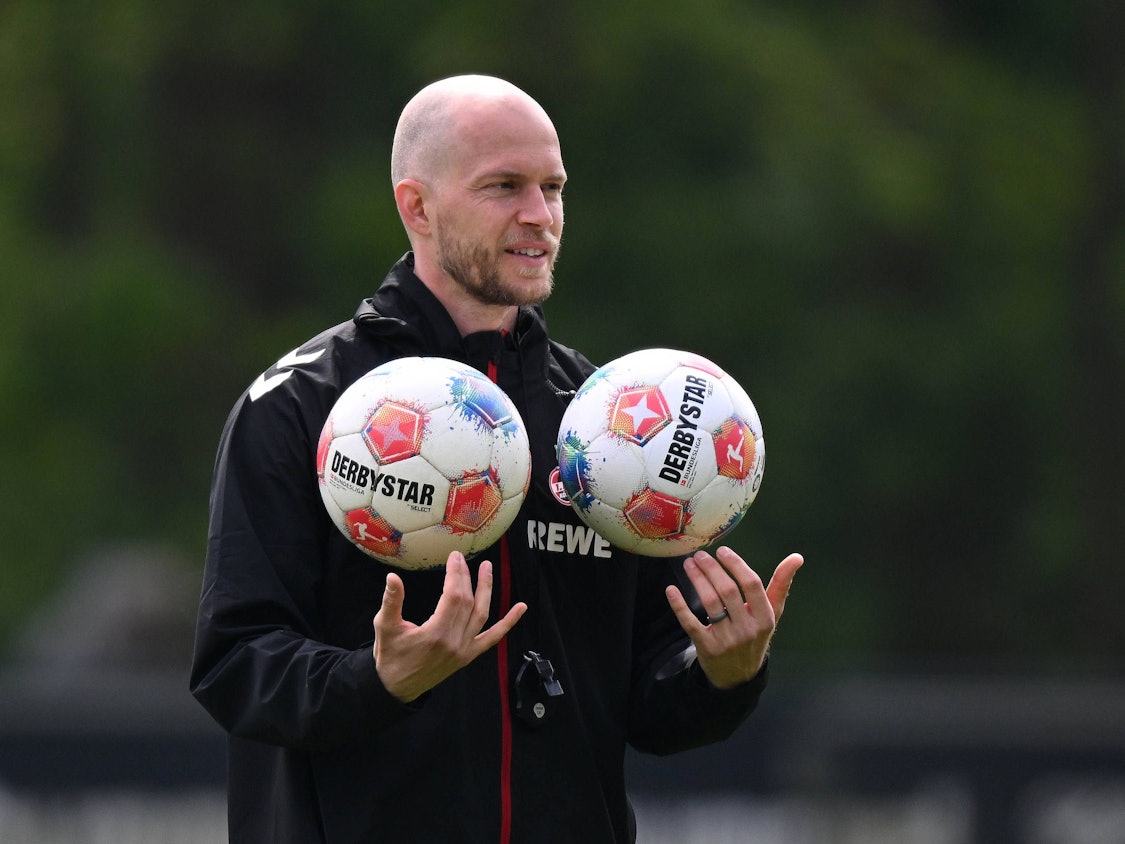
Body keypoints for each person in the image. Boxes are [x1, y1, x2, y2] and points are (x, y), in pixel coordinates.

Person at [190, 74, 803, 844]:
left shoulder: (608, 424)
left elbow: (647, 707)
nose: (539, 215)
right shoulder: (303, 405)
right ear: (417, 206)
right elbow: (235, 665)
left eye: (553, 188)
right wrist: (378, 680)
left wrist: (723, 673)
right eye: (504, 186)